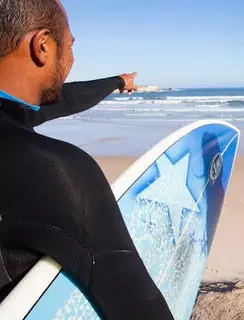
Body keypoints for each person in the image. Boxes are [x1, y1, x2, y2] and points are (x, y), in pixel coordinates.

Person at [0, 0, 174, 319]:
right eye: (70, 44)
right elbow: (138, 305)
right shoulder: (54, 170)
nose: (72, 58)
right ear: (42, 46)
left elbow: (61, 100)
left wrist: (119, 81)